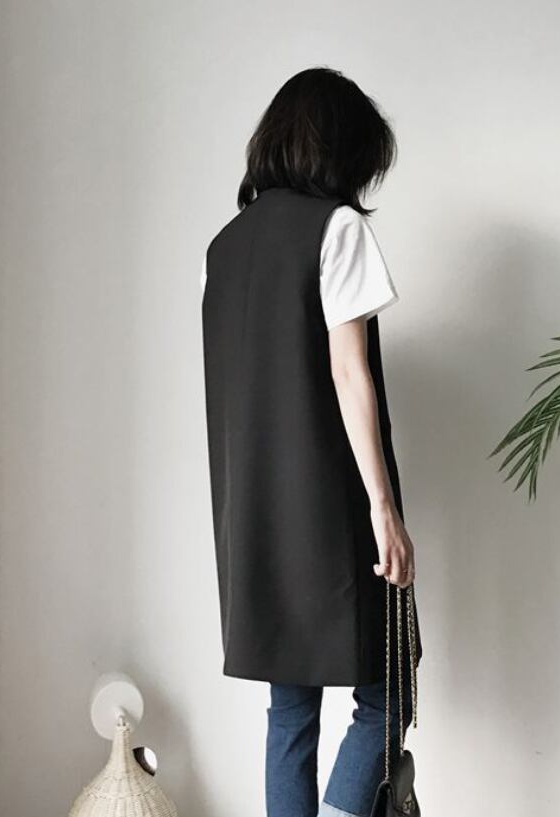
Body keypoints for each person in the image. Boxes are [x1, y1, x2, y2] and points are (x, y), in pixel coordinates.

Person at [200, 66, 423, 817]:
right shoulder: (338, 228)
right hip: (331, 506)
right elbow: (348, 373)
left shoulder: (225, 247)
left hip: (252, 512)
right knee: (391, 687)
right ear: (341, 150)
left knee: (290, 710)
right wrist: (383, 508)